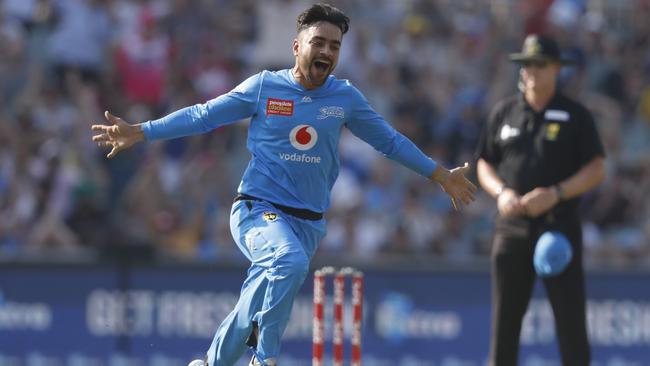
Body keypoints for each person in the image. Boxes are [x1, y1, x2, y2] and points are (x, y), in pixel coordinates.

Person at [92, 4, 477, 366]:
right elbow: (204, 115)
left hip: (308, 223)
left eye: (334, 46)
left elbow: (389, 142)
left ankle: (212, 362)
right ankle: (266, 357)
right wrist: (142, 131)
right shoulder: (265, 87)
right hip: (256, 210)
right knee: (288, 261)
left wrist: (439, 174)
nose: (326, 51)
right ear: (297, 47)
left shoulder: (344, 98)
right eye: (318, 42)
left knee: (259, 292)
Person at [476, 34, 606, 366]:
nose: (530, 71)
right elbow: (484, 163)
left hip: (557, 226)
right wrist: (502, 193)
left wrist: (556, 193)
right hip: (512, 227)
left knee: (570, 323)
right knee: (504, 322)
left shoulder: (575, 115)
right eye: (526, 64)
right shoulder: (504, 112)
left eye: (539, 64)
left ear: (556, 69)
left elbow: (596, 169)